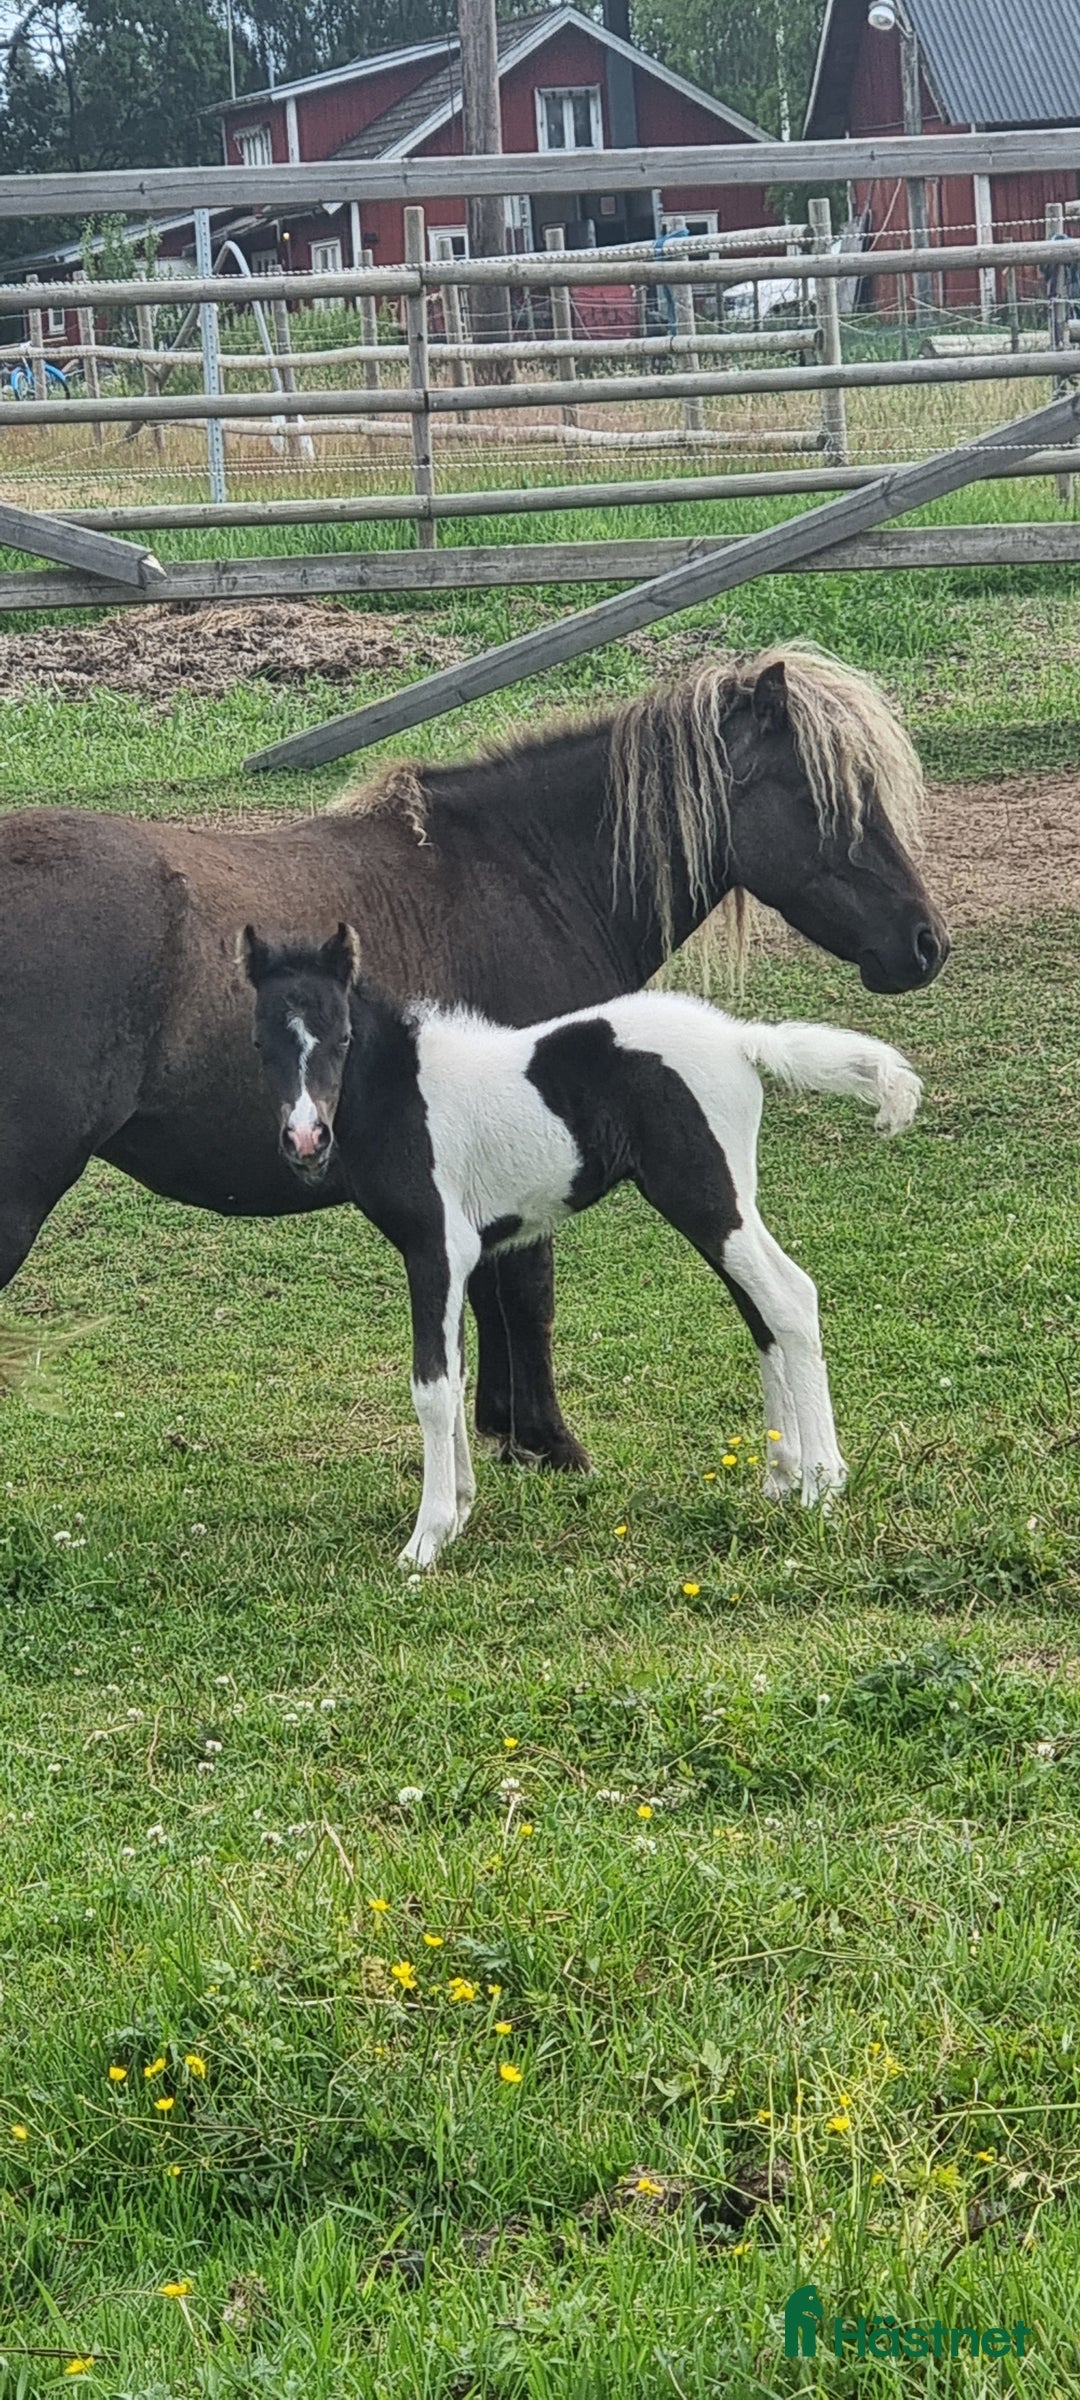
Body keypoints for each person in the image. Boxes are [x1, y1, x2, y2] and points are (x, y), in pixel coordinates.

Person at [653, 217, 690, 337]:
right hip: (670, 272)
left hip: (670, 272)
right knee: (674, 302)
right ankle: (676, 330)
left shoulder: (664, 243)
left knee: (674, 302)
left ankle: (675, 330)